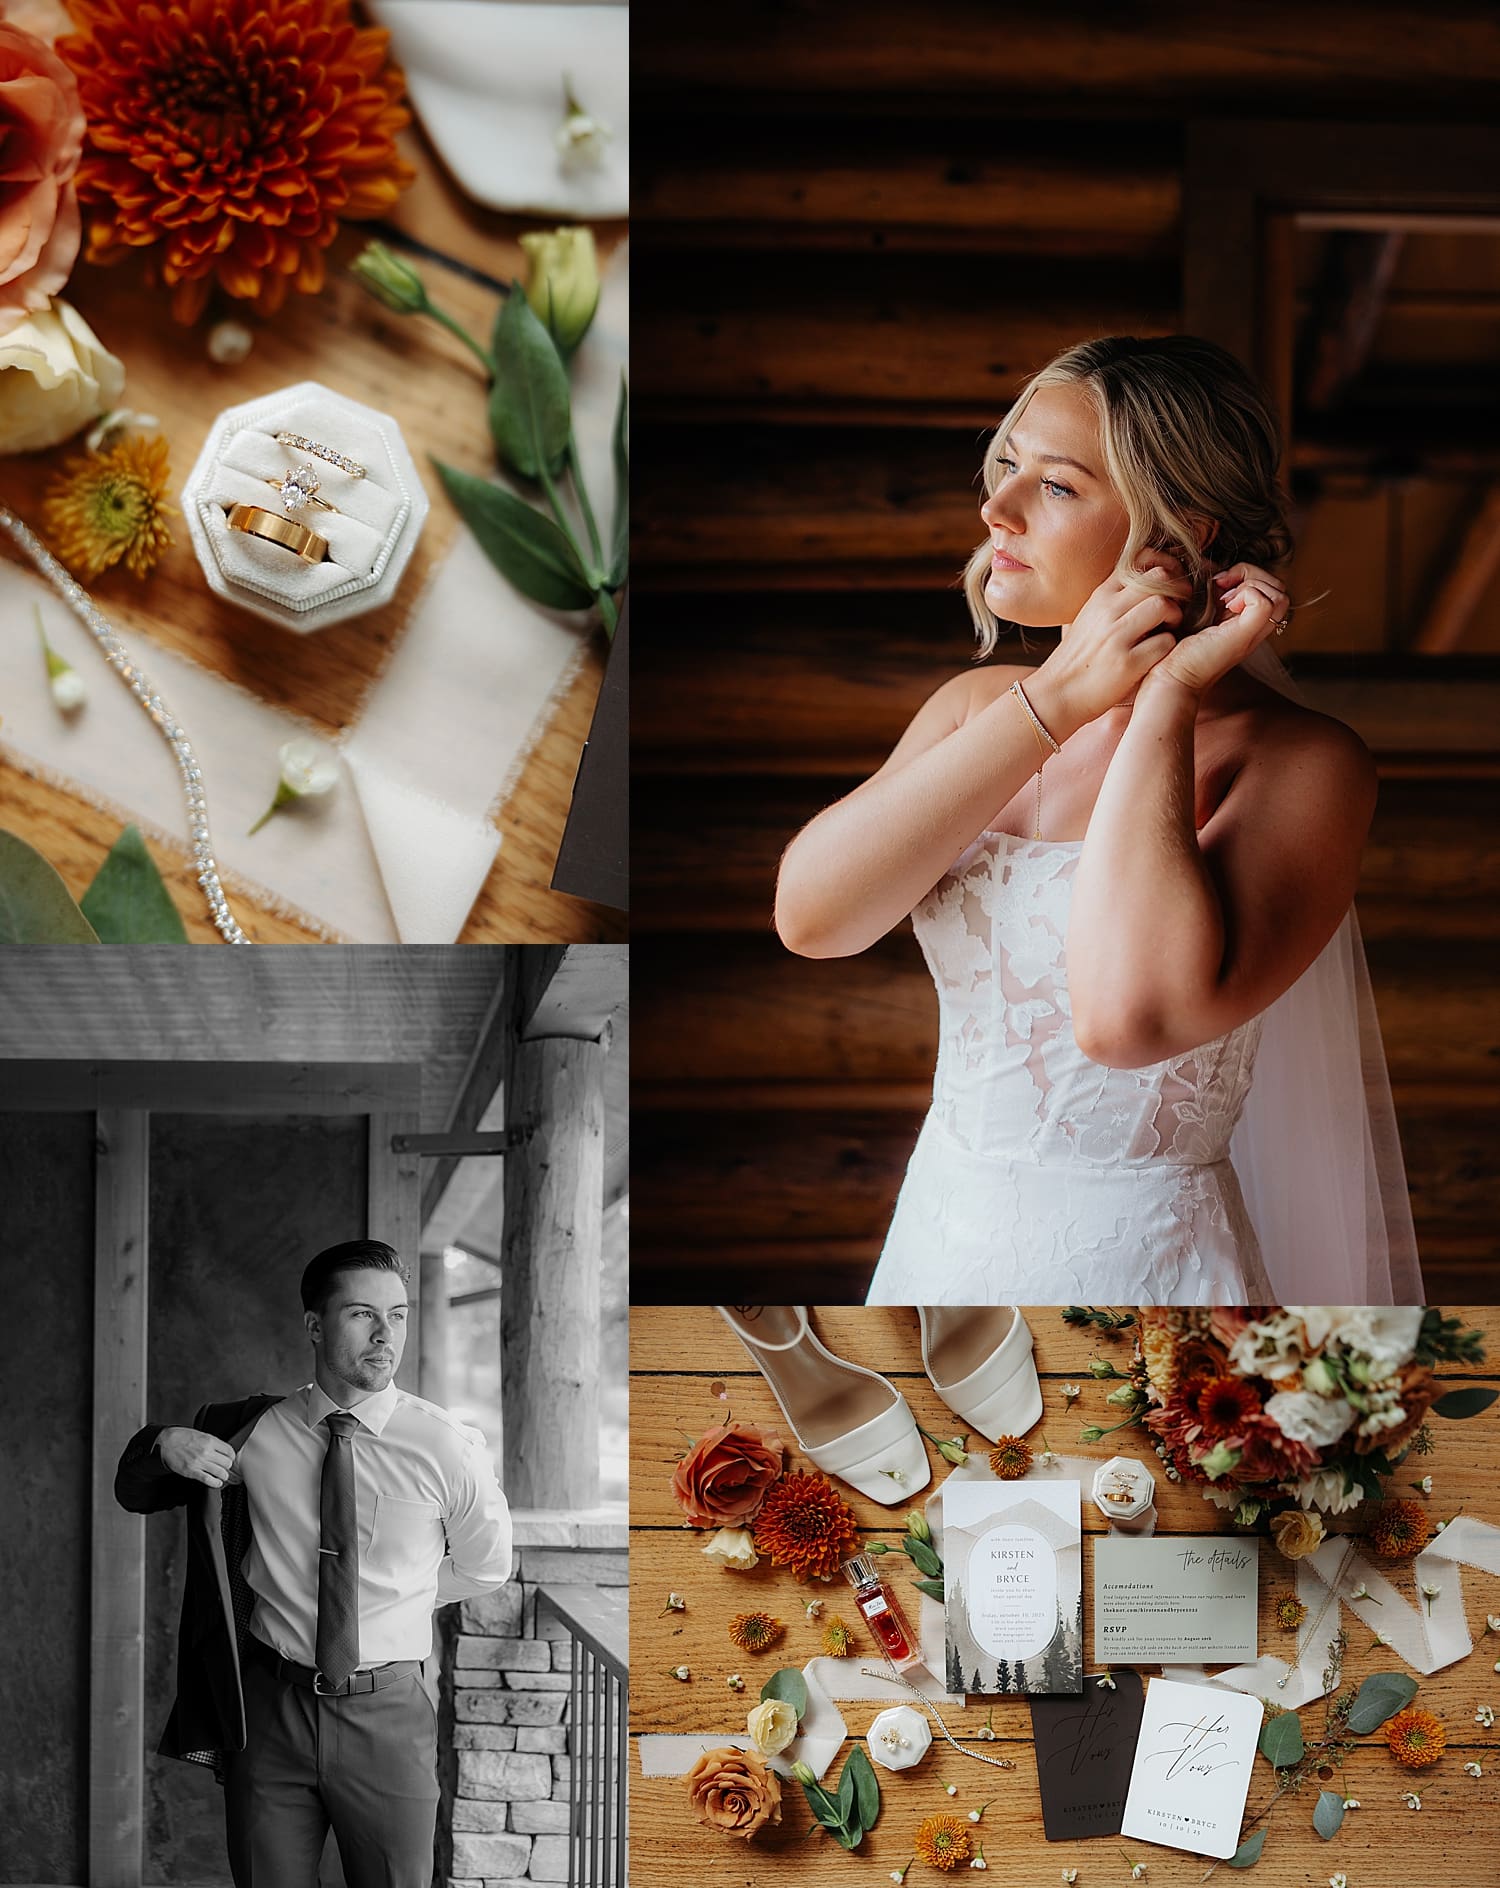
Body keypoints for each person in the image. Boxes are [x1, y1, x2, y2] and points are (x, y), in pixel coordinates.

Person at [774, 334, 1421, 1306]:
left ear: (1182, 538)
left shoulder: (1306, 766)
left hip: (1148, 1273)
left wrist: (1165, 699)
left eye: (1059, 486)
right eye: (1008, 466)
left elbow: (1125, 1020)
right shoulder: (971, 709)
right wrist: (1057, 703)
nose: (997, 508)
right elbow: (813, 918)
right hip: (938, 1240)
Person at [115, 1238, 512, 1888]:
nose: (386, 1334)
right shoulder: (251, 1432)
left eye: (400, 1314)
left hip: (388, 1716)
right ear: (313, 1325)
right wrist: (163, 1443)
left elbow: (487, 1565)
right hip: (271, 1713)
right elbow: (134, 1491)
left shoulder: (447, 1447)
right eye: (362, 1314)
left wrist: (394, 1599)